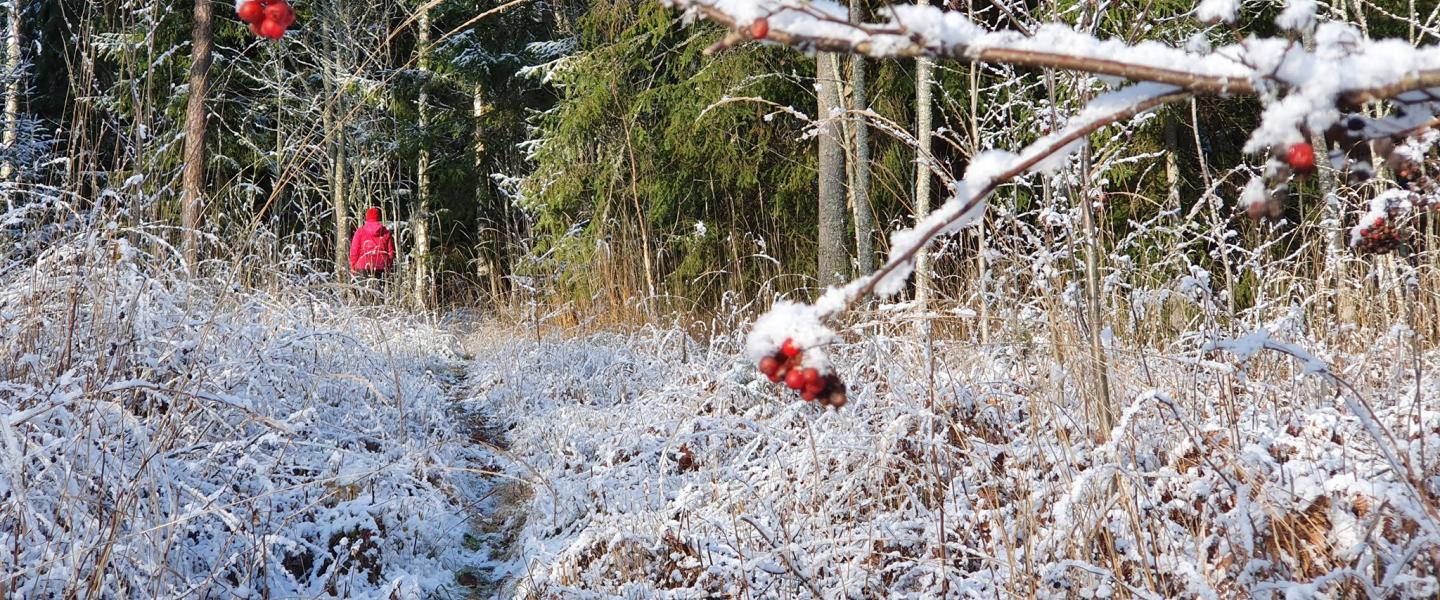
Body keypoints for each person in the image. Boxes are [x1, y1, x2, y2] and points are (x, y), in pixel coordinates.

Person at [349, 207, 396, 282]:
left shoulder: (360, 231)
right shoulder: (386, 232)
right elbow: (390, 253)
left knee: (363, 292)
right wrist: (388, 267)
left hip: (362, 267)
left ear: (367, 218)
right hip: (381, 267)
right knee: (379, 293)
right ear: (379, 218)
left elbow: (354, 251)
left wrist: (353, 267)